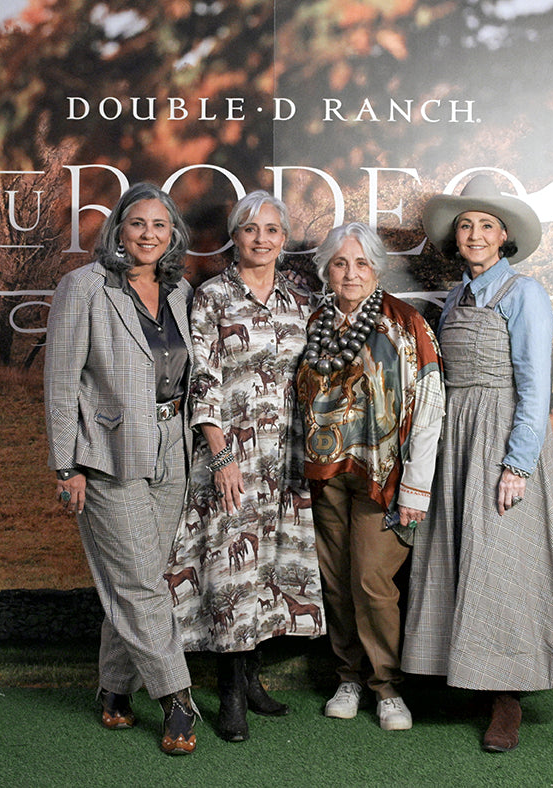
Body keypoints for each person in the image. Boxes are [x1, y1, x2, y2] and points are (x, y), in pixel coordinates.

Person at [403, 175, 553, 753]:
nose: (476, 234)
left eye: (487, 225)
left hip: (501, 432)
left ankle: (506, 700)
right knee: (459, 553)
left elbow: (535, 386)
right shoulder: (456, 297)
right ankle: (463, 676)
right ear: (455, 239)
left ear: (504, 236)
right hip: (456, 433)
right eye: (466, 225)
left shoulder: (525, 293)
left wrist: (518, 464)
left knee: (502, 561)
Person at [43, 182, 200, 756]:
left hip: (172, 451)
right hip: (106, 456)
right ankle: (177, 699)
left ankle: (113, 691)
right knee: (137, 583)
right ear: (118, 230)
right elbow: (61, 384)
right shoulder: (83, 287)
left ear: (173, 234)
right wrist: (67, 467)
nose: (149, 235)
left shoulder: (180, 289)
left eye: (160, 226)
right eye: (138, 224)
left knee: (134, 582)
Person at [167, 190, 322, 743]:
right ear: (235, 235)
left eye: (273, 230)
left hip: (287, 456)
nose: (262, 239)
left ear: (284, 239)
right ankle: (229, 691)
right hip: (232, 454)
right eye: (251, 229)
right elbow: (201, 378)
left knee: (270, 566)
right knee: (232, 571)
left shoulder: (301, 300)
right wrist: (222, 454)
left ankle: (254, 679)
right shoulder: (211, 297)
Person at [295, 222, 444, 732]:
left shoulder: (406, 324)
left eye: (361, 263)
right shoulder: (314, 323)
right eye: (340, 263)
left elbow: (429, 408)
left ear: (377, 268)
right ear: (326, 270)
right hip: (324, 471)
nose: (351, 273)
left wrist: (417, 488)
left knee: (371, 580)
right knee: (335, 581)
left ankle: (386, 687)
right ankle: (348, 678)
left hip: (384, 473)